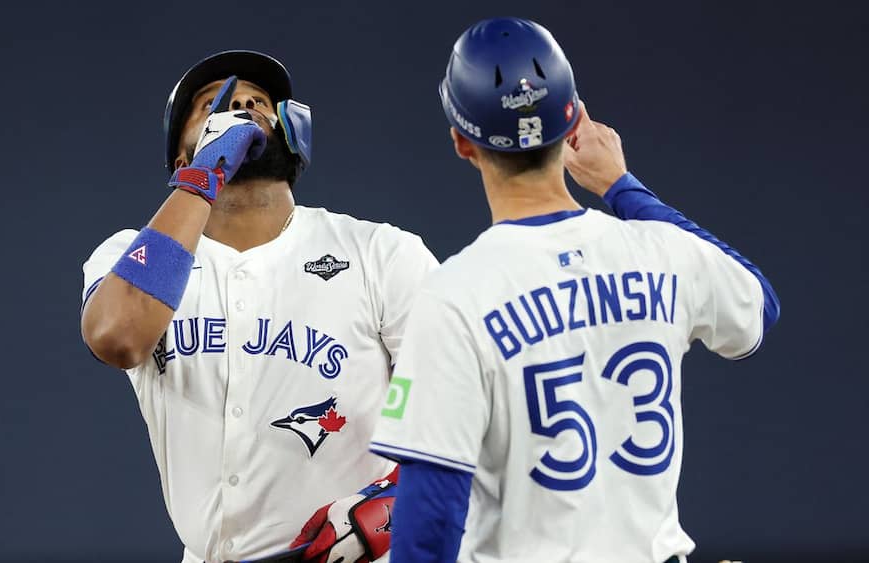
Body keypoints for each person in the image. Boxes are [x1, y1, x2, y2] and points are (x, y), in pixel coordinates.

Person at [369, 17, 780, 563]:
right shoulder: (662, 251)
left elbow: (430, 524)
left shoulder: (454, 296)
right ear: (575, 123)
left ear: (462, 143)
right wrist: (620, 185)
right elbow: (758, 306)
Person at [80, 50, 437, 563]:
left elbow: (466, 397)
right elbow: (118, 335)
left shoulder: (379, 252)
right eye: (212, 106)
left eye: (259, 101)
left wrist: (401, 502)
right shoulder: (128, 256)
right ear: (182, 159)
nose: (242, 106)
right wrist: (204, 175)